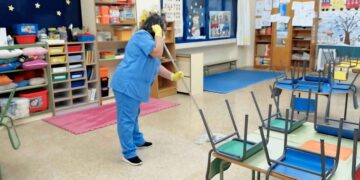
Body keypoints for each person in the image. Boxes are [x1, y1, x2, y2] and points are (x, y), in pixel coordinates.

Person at [110, 13, 184, 166]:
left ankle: (137, 140)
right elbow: (158, 52)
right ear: (155, 27)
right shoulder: (141, 36)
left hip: (134, 86)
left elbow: (156, 65)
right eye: (162, 29)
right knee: (126, 119)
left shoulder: (151, 42)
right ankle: (128, 153)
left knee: (134, 114)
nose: (163, 32)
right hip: (126, 84)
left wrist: (172, 76)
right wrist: (159, 37)